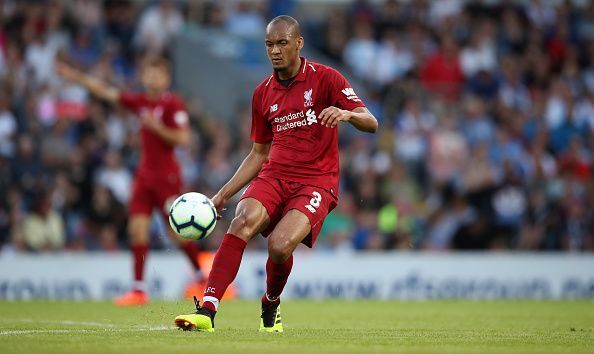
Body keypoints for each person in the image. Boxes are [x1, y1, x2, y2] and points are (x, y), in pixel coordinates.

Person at [174, 15, 377, 333]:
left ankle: (270, 302)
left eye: (282, 43)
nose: (275, 51)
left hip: (316, 181)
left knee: (280, 246)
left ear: (299, 43)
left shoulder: (326, 78)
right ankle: (208, 309)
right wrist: (223, 193)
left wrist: (347, 114)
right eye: (269, 44)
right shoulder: (262, 94)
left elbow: (371, 122)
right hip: (274, 175)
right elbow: (258, 153)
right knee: (241, 221)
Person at [56, 56, 205, 306]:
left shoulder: (173, 104)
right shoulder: (140, 102)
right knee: (137, 231)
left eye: (157, 74)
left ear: (166, 78)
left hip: (167, 177)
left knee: (177, 233)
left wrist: (155, 127)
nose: (152, 77)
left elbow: (183, 139)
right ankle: (138, 290)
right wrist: (76, 77)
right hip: (144, 176)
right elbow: (107, 92)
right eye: (148, 73)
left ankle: (202, 278)